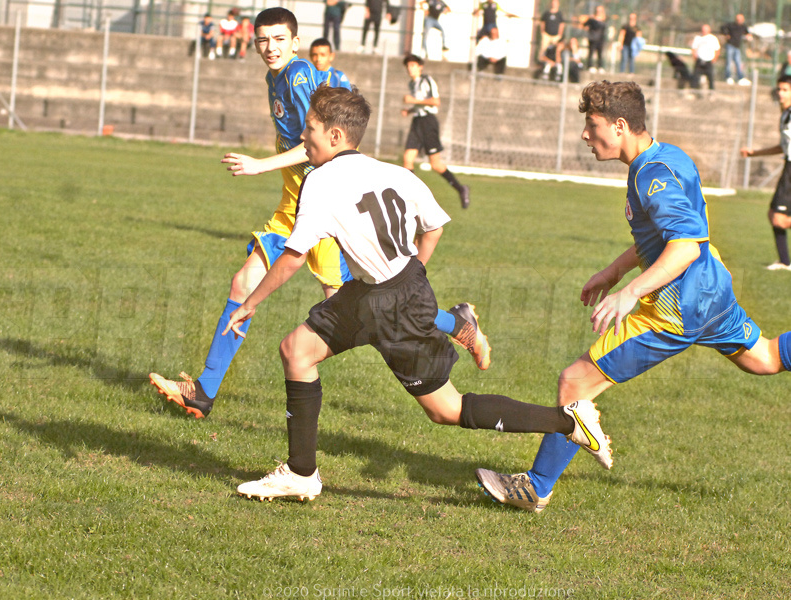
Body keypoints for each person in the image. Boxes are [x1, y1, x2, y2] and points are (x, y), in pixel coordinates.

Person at [226, 84, 612, 502]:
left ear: (335, 136)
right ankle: (301, 473)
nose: (303, 137)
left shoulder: (320, 181)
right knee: (296, 350)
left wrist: (249, 304)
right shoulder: (394, 173)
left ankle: (569, 422)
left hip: (389, 303)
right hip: (380, 289)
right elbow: (434, 227)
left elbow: (293, 257)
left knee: (446, 409)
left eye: (310, 129)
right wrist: (412, 281)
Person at [149, 8, 490, 420]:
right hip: (293, 204)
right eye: (263, 39)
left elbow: (316, 141)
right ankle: (203, 392)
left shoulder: (297, 76)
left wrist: (260, 165)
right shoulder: (276, 77)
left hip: (322, 209)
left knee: (368, 307)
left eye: (279, 39)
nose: (270, 47)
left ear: (295, 42)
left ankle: (456, 325)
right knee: (244, 283)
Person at [478, 80, 791, 513]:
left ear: (620, 126)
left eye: (592, 125)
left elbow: (684, 246)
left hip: (676, 308)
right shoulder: (668, 156)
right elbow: (665, 238)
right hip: (711, 288)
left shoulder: (651, 175)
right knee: (765, 358)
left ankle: (536, 487)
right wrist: (614, 271)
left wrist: (629, 292)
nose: (585, 135)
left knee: (575, 382)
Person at [401, 53, 470, 209]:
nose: (410, 69)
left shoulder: (427, 80)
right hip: (417, 121)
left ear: (420, 67)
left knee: (436, 164)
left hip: (428, 122)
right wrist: (410, 110)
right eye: (408, 66)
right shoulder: (412, 84)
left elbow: (435, 101)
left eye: (413, 65)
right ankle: (411, 197)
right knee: (407, 160)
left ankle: (461, 189)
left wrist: (413, 101)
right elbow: (420, 104)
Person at [740, 75, 791, 271]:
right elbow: (783, 147)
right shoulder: (785, 115)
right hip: (788, 166)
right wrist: (755, 153)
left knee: (779, 218)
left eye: (785, 90)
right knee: (773, 215)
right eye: (779, 89)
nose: (780, 93)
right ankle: (784, 262)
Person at [721, 13, 751, 85]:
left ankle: (740, 77)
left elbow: (747, 33)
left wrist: (748, 36)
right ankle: (728, 77)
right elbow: (722, 28)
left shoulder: (743, 26)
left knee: (738, 63)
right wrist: (726, 34)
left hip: (737, 47)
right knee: (728, 62)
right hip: (730, 45)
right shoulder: (731, 25)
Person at [691, 24, 721, 94]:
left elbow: (717, 50)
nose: (704, 31)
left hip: (709, 61)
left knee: (710, 77)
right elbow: (694, 49)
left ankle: (711, 93)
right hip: (699, 60)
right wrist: (695, 57)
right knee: (695, 77)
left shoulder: (713, 38)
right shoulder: (698, 38)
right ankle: (693, 92)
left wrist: (714, 59)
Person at [578, 5, 607, 73]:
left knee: (600, 53)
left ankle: (600, 67)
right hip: (593, 38)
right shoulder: (592, 19)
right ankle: (590, 66)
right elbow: (584, 24)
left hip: (600, 39)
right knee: (591, 53)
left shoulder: (604, 19)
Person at [537, 0, 565, 65]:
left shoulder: (559, 14)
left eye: (555, 3)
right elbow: (542, 23)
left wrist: (560, 34)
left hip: (556, 36)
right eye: (553, 3)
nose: (554, 4)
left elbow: (562, 24)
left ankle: (555, 63)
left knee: (555, 50)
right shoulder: (546, 13)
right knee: (543, 48)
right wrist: (543, 32)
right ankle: (540, 62)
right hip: (546, 35)